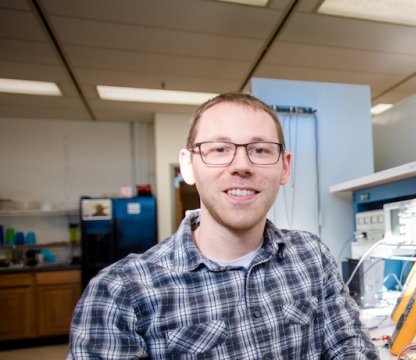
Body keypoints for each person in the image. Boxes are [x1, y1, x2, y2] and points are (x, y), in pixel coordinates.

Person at [68, 93, 380, 359]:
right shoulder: (119, 292)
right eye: (219, 149)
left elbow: (347, 343)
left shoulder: (311, 255)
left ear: (284, 168)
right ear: (189, 165)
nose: (241, 166)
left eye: (259, 150)